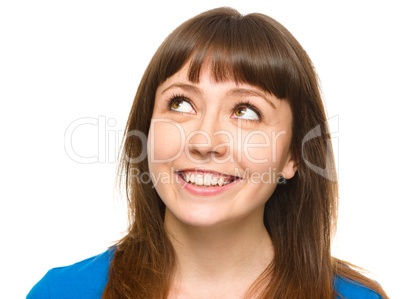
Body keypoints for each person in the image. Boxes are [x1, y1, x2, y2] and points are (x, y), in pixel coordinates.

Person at [27, 7, 389, 299]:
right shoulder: (60, 293)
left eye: (246, 111)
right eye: (181, 103)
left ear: (295, 155)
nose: (204, 141)